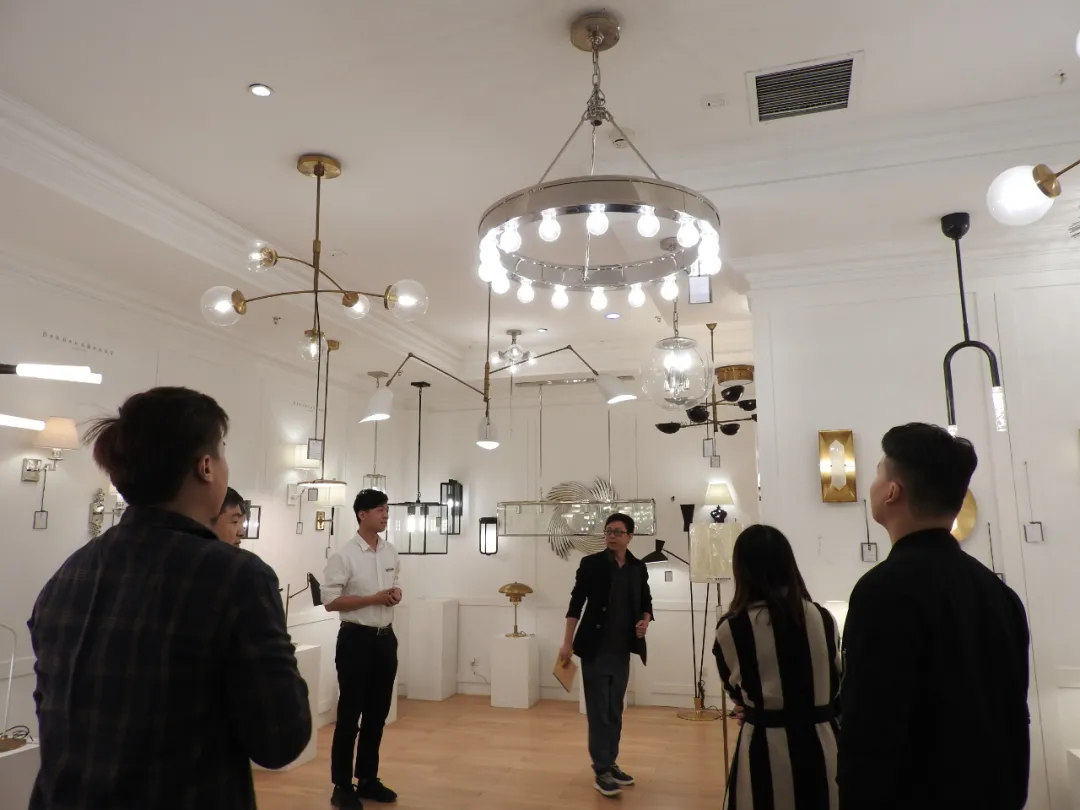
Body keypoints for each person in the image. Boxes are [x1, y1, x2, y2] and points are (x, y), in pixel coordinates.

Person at [27, 386, 311, 810]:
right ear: (206, 466)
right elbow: (280, 739)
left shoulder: (70, 572)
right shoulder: (237, 576)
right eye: (223, 452)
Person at [839, 423, 1030, 810]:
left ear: (892, 492)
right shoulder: (998, 593)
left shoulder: (882, 590)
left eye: (878, 473)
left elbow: (871, 728)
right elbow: (1012, 714)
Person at [713, 524, 842, 810]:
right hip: (823, 743)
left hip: (764, 746)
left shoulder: (731, 628)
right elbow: (836, 680)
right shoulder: (822, 618)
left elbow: (736, 692)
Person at [559, 512, 653, 798]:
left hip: (622, 650)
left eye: (617, 532)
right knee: (599, 710)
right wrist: (567, 643)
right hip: (595, 648)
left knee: (614, 710)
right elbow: (576, 604)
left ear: (629, 536)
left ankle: (610, 762)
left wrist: (645, 621)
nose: (611, 536)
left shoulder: (638, 567)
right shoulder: (591, 564)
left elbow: (646, 602)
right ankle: (601, 770)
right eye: (608, 531)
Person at [322, 488, 402, 808]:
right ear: (362, 514)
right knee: (350, 713)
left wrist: (395, 594)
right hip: (356, 639)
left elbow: (394, 586)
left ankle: (367, 778)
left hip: (385, 638)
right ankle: (342, 785)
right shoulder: (344, 555)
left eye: (387, 510)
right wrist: (372, 599)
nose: (386, 515)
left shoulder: (390, 551)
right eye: (380, 510)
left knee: (377, 713)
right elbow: (330, 601)